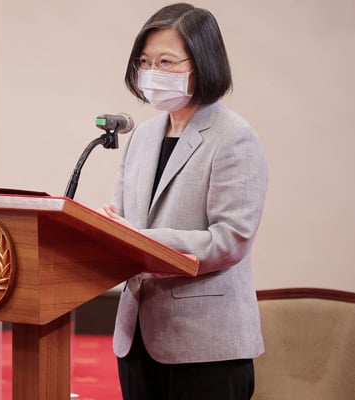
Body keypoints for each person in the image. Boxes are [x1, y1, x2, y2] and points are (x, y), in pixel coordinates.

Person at [100, 3, 268, 400]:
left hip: (205, 343)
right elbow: (123, 216)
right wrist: (105, 227)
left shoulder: (233, 137)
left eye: (166, 61)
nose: (151, 72)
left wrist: (139, 238)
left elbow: (230, 240)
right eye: (144, 61)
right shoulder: (142, 136)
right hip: (136, 335)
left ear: (202, 63)